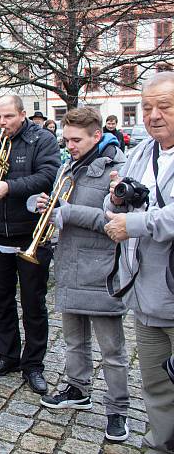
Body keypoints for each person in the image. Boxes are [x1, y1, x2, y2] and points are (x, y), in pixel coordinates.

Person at [35, 108, 130, 442]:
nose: (70, 145)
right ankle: (78, 388)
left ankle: (118, 410)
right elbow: (63, 206)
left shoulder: (114, 170)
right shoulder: (69, 165)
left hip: (102, 269)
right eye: (67, 139)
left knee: (112, 351)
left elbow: (114, 220)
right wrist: (49, 204)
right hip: (70, 261)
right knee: (74, 339)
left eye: (76, 140)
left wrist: (67, 211)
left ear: (95, 135)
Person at [0, 95, 60, 394]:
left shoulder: (41, 139)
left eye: (9, 117)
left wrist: (9, 187)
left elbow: (48, 176)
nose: (3, 123)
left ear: (22, 114)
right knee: (1, 300)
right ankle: (8, 356)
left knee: (33, 302)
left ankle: (33, 364)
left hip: (30, 232)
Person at [103, 72, 174, 453]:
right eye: (147, 107)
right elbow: (114, 204)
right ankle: (159, 443)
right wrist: (115, 201)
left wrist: (134, 222)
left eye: (165, 106)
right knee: (155, 383)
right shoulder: (141, 152)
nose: (154, 115)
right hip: (145, 294)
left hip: (172, 290)